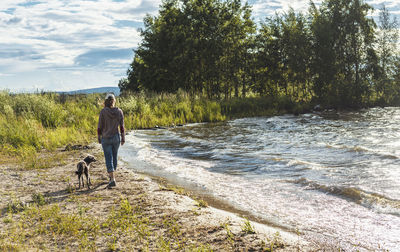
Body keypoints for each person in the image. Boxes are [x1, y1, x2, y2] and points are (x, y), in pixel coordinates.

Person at [97, 93, 125, 188]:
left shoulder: (103, 112)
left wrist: (99, 137)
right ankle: (111, 176)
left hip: (106, 138)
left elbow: (100, 126)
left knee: (108, 158)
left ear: (106, 101)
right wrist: (123, 138)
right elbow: (122, 127)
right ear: (114, 101)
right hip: (116, 138)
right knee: (114, 157)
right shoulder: (119, 111)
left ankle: (112, 179)